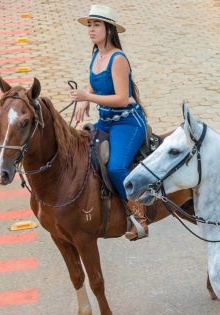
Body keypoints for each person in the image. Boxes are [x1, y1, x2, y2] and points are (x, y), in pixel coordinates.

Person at [69, 4, 149, 241]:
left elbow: (122, 98)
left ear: (109, 29)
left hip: (128, 123)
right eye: (89, 25)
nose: (91, 30)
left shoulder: (118, 59)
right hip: (105, 120)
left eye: (96, 25)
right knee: (82, 150)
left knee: (116, 167)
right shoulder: (97, 55)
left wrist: (87, 97)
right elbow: (98, 84)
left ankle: (139, 216)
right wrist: (85, 100)